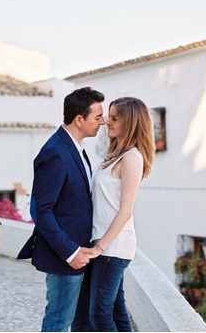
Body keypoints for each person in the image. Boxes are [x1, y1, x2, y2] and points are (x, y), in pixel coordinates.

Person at [18, 87, 105, 332]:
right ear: (79, 119)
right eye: (97, 117)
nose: (103, 122)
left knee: (78, 321)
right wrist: (71, 252)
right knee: (58, 321)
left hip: (81, 253)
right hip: (65, 256)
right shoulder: (55, 152)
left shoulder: (74, 147)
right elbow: (41, 210)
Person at [72, 97, 155, 332]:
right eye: (109, 116)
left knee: (98, 313)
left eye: (115, 118)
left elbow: (126, 211)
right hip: (103, 244)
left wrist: (99, 248)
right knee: (116, 310)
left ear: (130, 123)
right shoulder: (116, 155)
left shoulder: (132, 158)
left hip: (113, 248)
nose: (108, 122)